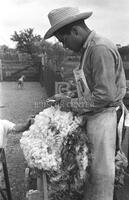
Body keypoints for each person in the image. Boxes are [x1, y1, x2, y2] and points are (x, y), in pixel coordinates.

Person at [44, 7, 128, 200]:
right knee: (90, 171)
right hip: (96, 116)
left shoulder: (99, 48)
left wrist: (71, 104)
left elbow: (104, 95)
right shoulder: (88, 49)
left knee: (101, 175)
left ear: (75, 31)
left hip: (105, 117)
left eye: (64, 41)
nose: (64, 46)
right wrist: (70, 94)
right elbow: (93, 87)